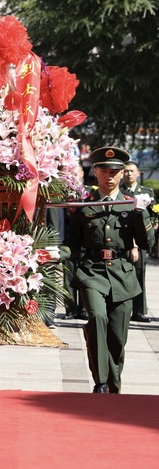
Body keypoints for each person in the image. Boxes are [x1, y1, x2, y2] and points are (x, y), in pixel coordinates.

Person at [64, 146, 152, 393]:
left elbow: (147, 244)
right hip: (92, 272)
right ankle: (100, 382)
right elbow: (73, 242)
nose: (109, 175)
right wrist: (57, 253)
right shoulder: (84, 206)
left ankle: (113, 386)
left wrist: (141, 214)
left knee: (117, 336)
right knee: (97, 318)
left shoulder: (131, 204)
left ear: (123, 173)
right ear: (95, 171)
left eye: (115, 170)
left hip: (122, 275)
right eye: (104, 169)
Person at [121, 160, 156, 322]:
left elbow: (153, 216)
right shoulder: (118, 192)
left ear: (138, 173)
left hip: (140, 240)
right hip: (122, 239)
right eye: (126, 171)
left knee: (139, 274)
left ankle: (139, 311)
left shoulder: (146, 192)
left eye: (131, 171)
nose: (128, 173)